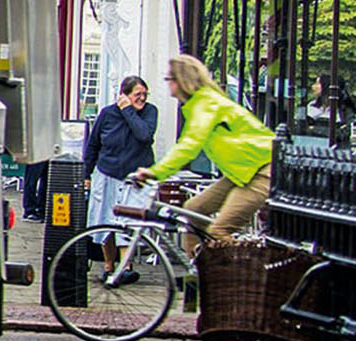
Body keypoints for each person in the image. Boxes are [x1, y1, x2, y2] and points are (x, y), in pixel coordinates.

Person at [128, 53, 276, 253]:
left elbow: (189, 146)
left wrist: (155, 172)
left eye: (169, 79)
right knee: (192, 211)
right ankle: (197, 271)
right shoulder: (198, 105)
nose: (167, 84)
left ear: (181, 80)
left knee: (218, 231)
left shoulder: (206, 104)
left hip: (261, 172)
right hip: (241, 173)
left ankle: (235, 276)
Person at [81, 74, 157, 280]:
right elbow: (93, 145)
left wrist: (128, 111)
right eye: (137, 94)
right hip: (108, 173)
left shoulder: (149, 112)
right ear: (123, 95)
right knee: (106, 220)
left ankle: (125, 267)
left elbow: (144, 136)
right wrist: (86, 173)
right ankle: (108, 266)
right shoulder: (106, 115)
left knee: (129, 222)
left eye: (144, 94)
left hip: (135, 178)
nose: (142, 98)